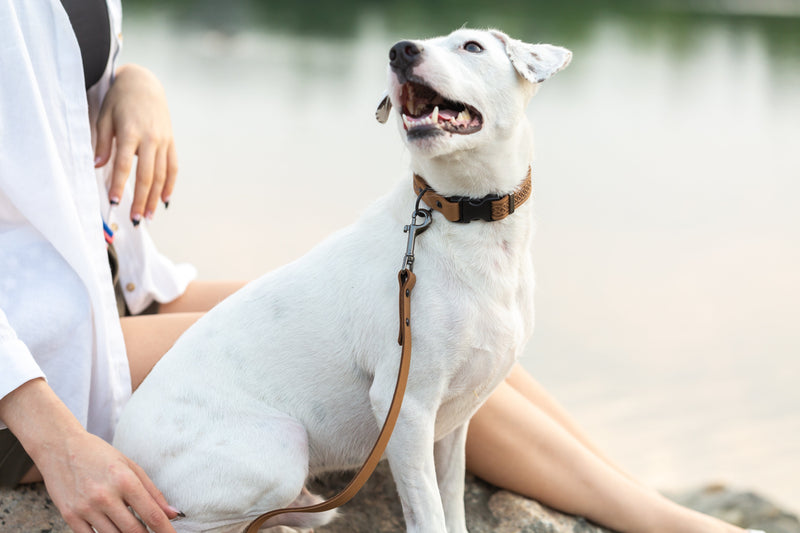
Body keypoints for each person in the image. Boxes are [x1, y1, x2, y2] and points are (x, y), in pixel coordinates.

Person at [0, 2, 762, 533]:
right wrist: (50, 433)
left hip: (109, 283)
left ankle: (631, 491)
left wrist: (136, 83)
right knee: (413, 347)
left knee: (469, 336)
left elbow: (56, 86)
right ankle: (654, 518)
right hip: (20, 356)